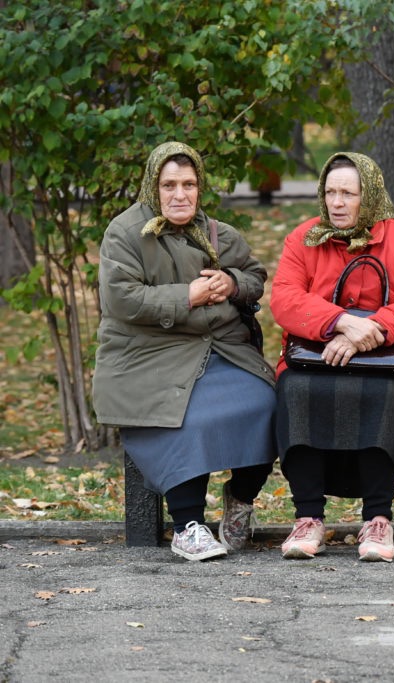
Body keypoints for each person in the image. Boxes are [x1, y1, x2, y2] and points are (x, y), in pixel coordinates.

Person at [93, 141, 276, 561]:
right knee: (186, 416)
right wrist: (188, 295)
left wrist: (231, 282)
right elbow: (122, 300)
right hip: (148, 355)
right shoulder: (125, 233)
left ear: (200, 187)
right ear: (152, 187)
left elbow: (254, 275)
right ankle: (187, 524)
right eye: (169, 185)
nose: (180, 195)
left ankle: (241, 498)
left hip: (220, 351)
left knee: (270, 404)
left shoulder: (217, 233)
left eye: (189, 184)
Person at [270, 152, 394, 562]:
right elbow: (284, 299)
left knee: (377, 392)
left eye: (349, 193)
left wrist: (374, 330)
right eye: (330, 192)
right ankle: (308, 516)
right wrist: (341, 322)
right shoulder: (305, 237)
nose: (337, 202)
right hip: (314, 358)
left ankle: (378, 518)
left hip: (393, 366)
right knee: (294, 388)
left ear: (371, 195)